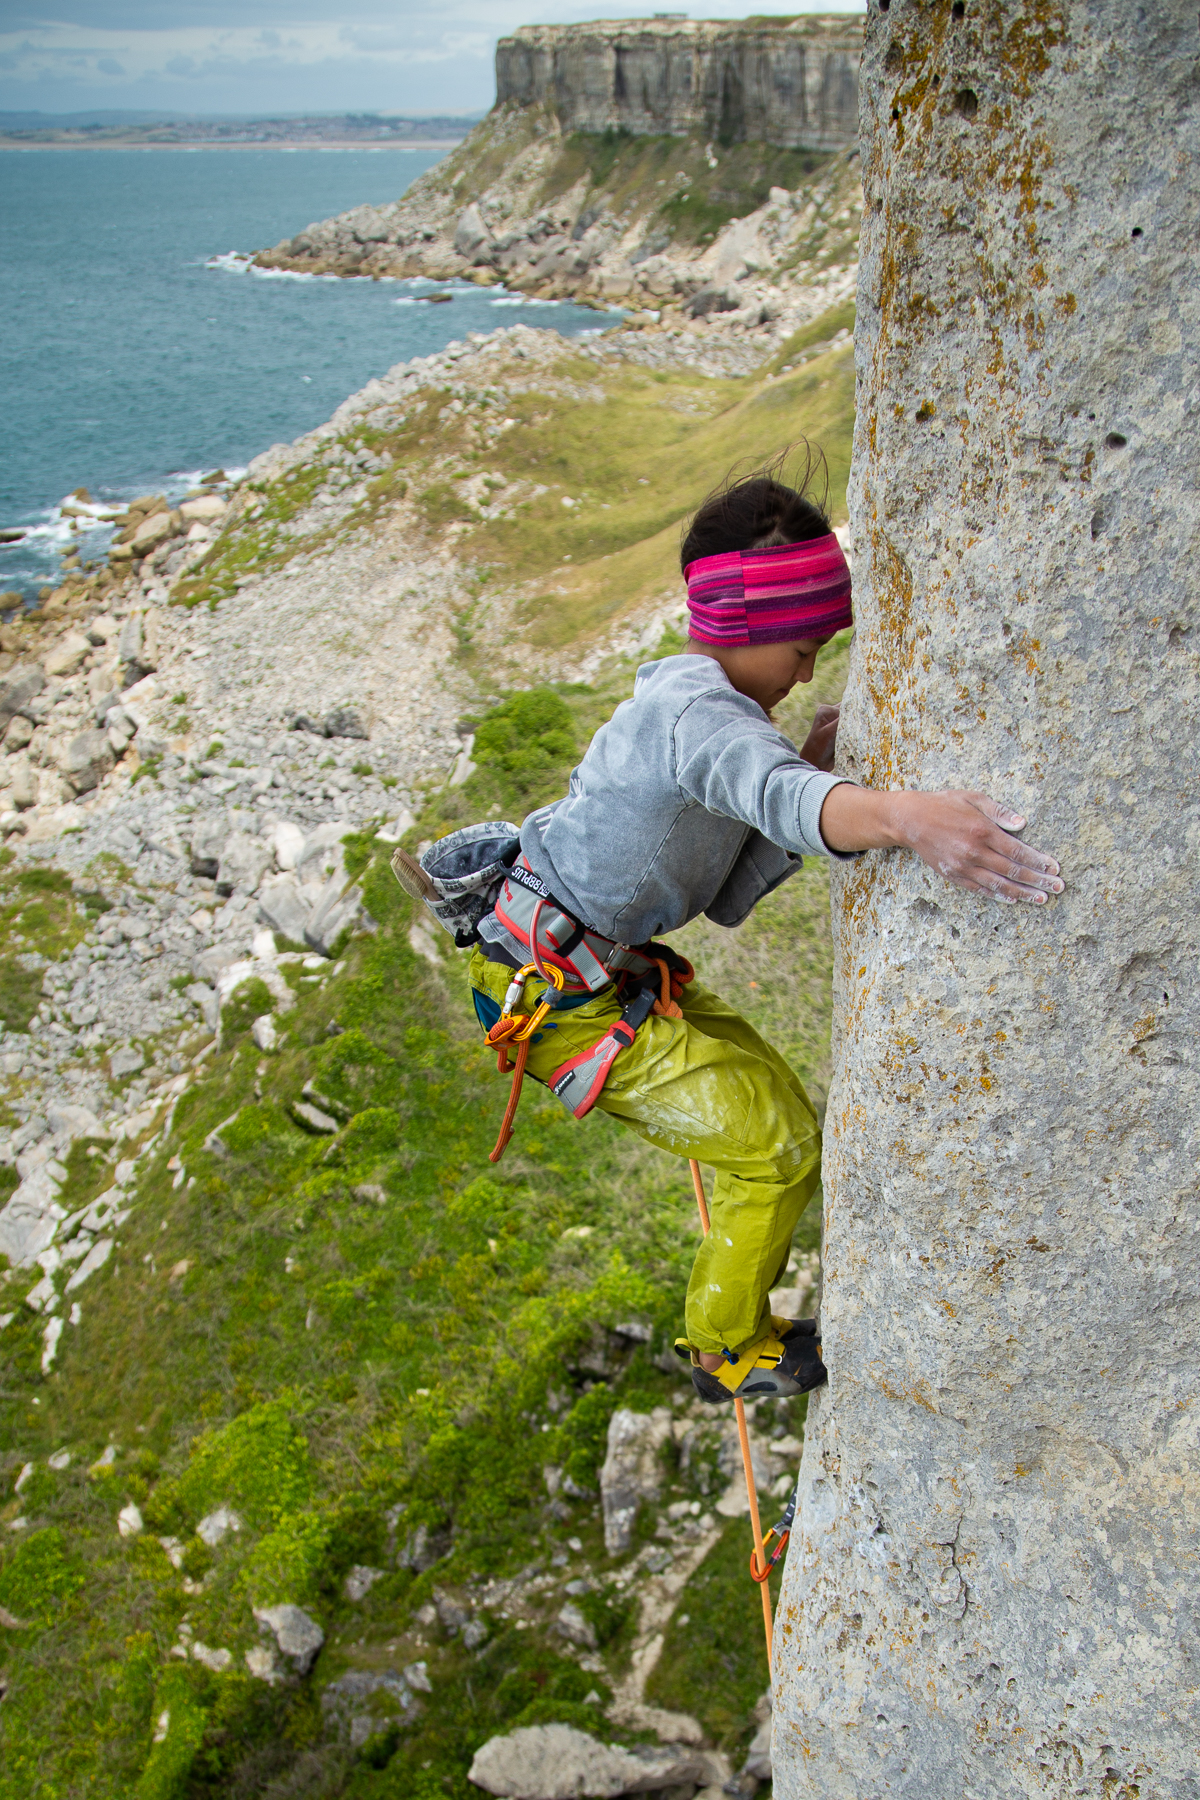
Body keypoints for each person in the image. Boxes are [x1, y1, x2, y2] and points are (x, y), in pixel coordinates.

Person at [462, 462, 1063, 1406]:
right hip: (567, 1004)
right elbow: (778, 797)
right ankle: (726, 1349)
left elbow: (734, 884)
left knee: (779, 1111)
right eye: (807, 645)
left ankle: (738, 1326)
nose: (812, 668)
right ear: (746, 627)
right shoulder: (699, 717)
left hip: (594, 976)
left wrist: (811, 771)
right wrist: (906, 817)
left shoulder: (706, 709)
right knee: (775, 1146)